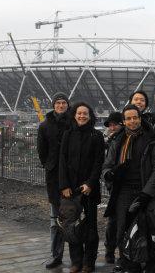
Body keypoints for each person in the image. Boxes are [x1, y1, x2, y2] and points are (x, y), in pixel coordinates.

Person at [102, 105, 155, 272]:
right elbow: (107, 165)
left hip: (145, 190)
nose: (132, 121)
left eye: (135, 117)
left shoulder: (152, 139)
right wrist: (110, 174)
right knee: (123, 227)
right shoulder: (118, 140)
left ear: (140, 117)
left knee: (148, 228)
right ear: (124, 121)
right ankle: (128, 263)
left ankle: (149, 264)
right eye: (128, 118)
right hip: (124, 191)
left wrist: (147, 193)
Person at [58, 102, 105, 273]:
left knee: (90, 227)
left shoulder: (97, 136)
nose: (82, 116)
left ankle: (89, 262)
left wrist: (90, 183)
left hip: (89, 191)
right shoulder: (67, 135)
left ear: (90, 116)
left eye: (85, 113)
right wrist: (63, 185)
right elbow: (62, 160)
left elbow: (98, 163)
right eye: (79, 113)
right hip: (70, 190)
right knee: (72, 227)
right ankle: (76, 261)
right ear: (74, 115)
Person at [37, 92, 71, 269]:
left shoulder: (74, 123)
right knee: (55, 219)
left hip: (72, 177)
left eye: (63, 102)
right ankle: (56, 254)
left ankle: (77, 257)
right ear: (53, 105)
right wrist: (50, 165)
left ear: (68, 105)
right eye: (57, 102)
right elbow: (41, 152)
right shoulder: (44, 126)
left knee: (74, 218)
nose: (60, 105)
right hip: (53, 177)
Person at [102, 111, 124, 264]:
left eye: (114, 124)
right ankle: (111, 250)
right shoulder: (111, 139)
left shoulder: (124, 138)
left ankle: (116, 251)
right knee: (114, 220)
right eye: (110, 125)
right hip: (114, 186)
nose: (111, 127)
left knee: (116, 220)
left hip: (124, 185)